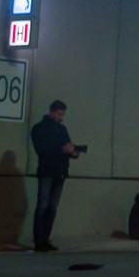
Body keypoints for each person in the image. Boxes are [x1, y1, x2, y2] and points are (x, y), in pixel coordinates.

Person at [29, 100, 83, 252]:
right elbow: (41, 149)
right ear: (52, 112)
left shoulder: (62, 129)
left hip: (60, 172)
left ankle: (45, 238)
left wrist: (74, 152)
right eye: (59, 114)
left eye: (62, 114)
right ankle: (39, 240)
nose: (61, 117)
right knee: (43, 205)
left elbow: (68, 147)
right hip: (47, 171)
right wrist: (63, 150)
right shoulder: (39, 129)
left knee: (52, 207)